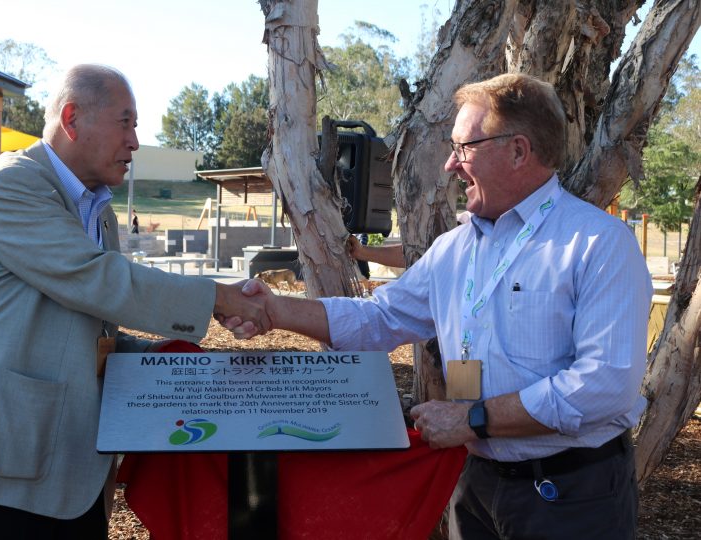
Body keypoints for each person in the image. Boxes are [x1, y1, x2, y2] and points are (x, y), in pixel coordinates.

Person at [226, 73, 652, 539]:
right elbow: (381, 317)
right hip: (477, 485)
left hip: (571, 494)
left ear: (518, 150)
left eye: (465, 147)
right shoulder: (453, 248)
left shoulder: (598, 243)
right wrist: (274, 310)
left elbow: (603, 383)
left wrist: (473, 418)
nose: (450, 164)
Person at [0, 64, 269, 539]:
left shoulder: (98, 209)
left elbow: (92, 329)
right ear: (72, 119)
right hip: (3, 473)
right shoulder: (12, 184)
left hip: (72, 477)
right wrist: (215, 296)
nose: (134, 140)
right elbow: (94, 279)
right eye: (125, 122)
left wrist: (170, 363)